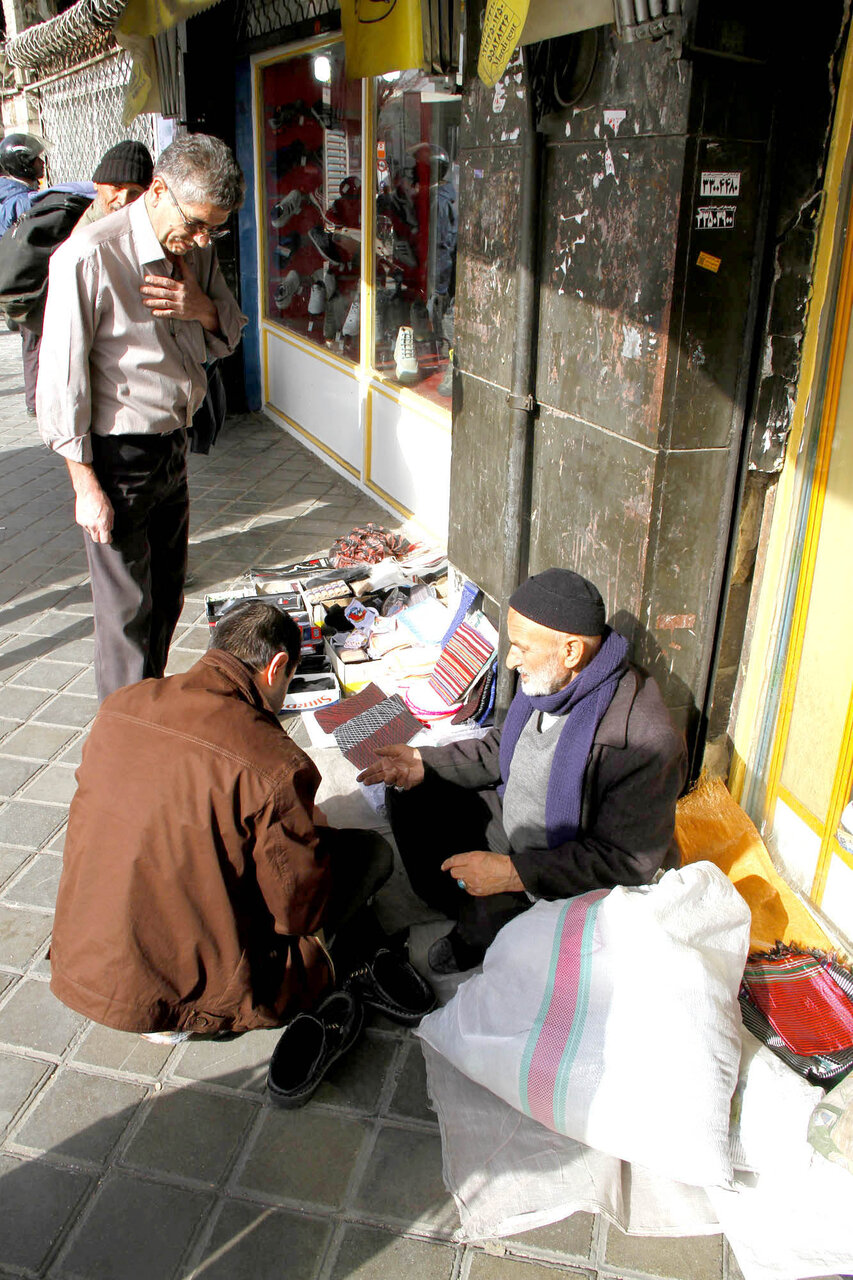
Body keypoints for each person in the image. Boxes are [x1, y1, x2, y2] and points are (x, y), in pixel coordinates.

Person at [50, 601, 434, 1062]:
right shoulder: (275, 762)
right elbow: (298, 913)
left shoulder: (121, 705)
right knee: (370, 854)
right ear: (276, 667)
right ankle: (195, 1013)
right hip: (189, 991)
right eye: (289, 679)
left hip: (86, 962)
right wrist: (307, 836)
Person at [359, 568, 688, 974]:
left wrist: (514, 873)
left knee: (498, 931)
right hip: (515, 817)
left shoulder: (645, 739)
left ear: (570, 651)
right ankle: (456, 897)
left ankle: (479, 917)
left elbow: (623, 861)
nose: (511, 661)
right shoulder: (549, 679)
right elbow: (503, 749)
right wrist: (424, 762)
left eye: (520, 647)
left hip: (562, 860)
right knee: (411, 791)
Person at [37, 132, 247, 700]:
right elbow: (60, 384)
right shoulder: (89, 256)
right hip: (117, 458)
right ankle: (123, 745)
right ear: (156, 191)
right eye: (197, 224)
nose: (202, 239)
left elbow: (229, 329)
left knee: (167, 599)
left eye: (214, 229)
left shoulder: (195, 250)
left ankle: (146, 717)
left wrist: (198, 307)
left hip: (173, 447)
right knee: (126, 620)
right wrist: (85, 485)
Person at [72, 140, 153, 231]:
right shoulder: (85, 237)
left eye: (134, 192)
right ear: (96, 184)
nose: (123, 201)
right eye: (116, 187)